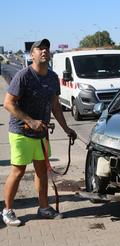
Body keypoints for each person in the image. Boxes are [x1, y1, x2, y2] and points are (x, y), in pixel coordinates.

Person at [2, 39, 77, 226]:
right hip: (21, 131)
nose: (44, 51)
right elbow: (8, 103)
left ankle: (43, 208)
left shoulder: (52, 77)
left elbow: (55, 106)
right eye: (39, 49)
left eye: (46, 48)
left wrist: (67, 129)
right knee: (18, 172)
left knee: (42, 171)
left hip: (41, 133)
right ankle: (7, 210)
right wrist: (30, 121)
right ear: (32, 55)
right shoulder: (23, 76)